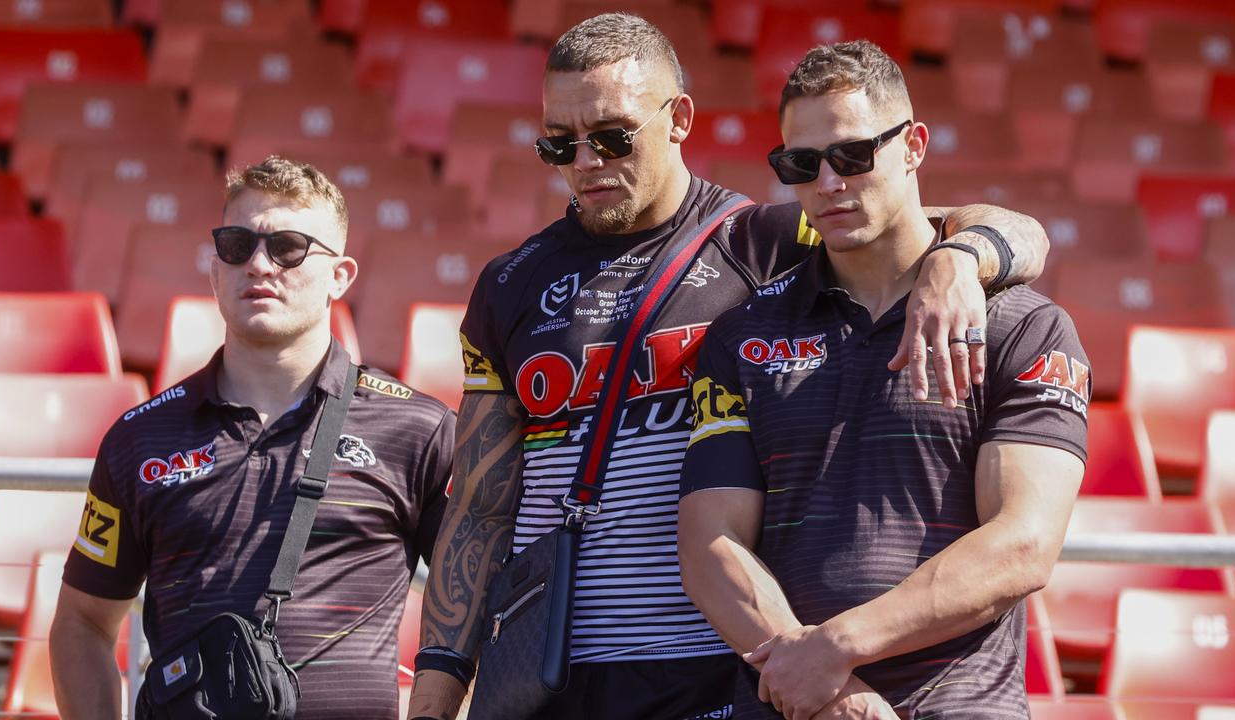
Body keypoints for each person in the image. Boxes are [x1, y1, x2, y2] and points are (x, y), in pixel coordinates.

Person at [407, 14, 1053, 720]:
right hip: (541, 666)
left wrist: (963, 258)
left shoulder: (770, 238)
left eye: (613, 137)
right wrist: (436, 700)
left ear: (679, 117)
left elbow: (953, 223)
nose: (585, 162)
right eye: (559, 143)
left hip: (708, 666)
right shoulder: (508, 283)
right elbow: (478, 506)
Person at [676, 40, 1089, 720]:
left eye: (853, 155)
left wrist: (836, 649)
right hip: (795, 705)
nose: (829, 183)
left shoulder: (1025, 325)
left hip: (959, 704)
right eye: (801, 164)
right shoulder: (742, 335)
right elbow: (709, 544)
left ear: (914, 145)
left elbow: (1022, 546)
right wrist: (826, 690)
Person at [49, 156, 455, 720]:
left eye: (289, 247)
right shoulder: (139, 438)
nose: (259, 264)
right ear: (216, 271)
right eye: (237, 245)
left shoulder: (418, 428)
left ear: (340, 275)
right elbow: (82, 622)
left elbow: (475, 603)